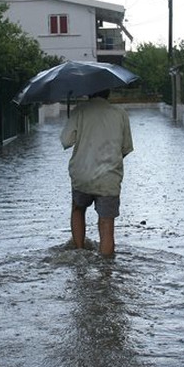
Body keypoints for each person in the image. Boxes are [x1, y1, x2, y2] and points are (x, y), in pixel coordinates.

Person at [60, 89, 134, 256]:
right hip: (109, 179)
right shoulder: (120, 114)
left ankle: (79, 254)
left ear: (89, 92)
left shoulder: (79, 111)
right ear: (108, 92)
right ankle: (106, 272)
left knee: (78, 209)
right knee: (107, 224)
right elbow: (126, 148)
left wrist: (72, 122)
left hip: (82, 175)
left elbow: (66, 141)